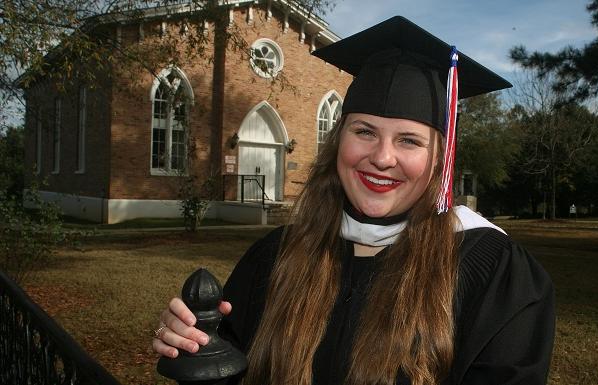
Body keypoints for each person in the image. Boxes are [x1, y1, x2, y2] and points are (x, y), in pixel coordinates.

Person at [152, 16, 555, 385]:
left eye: (409, 141)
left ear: (441, 161)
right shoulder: (274, 258)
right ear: (338, 140)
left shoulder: (492, 272)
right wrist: (197, 344)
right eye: (364, 131)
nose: (381, 157)